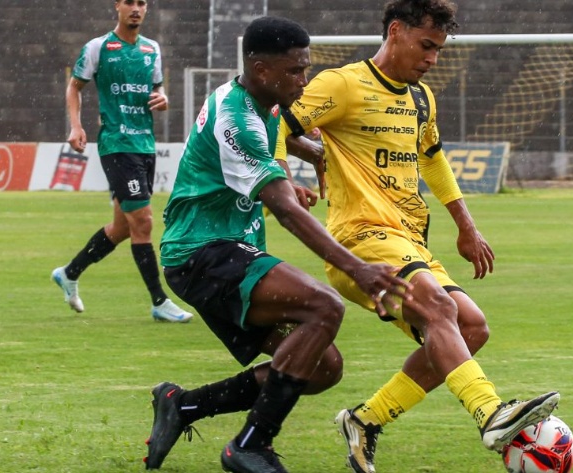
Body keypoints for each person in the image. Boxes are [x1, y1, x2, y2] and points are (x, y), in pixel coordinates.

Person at [278, 1, 560, 471]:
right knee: (440, 307)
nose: (432, 59)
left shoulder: (422, 98)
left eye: (439, 50)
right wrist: (286, 173)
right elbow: (276, 124)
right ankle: (491, 413)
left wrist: (466, 226)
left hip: (409, 240)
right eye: (426, 46)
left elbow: (432, 159)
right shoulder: (341, 84)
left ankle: (364, 420)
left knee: (471, 327)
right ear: (395, 31)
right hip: (360, 238)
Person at [142, 16, 411, 473]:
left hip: (226, 251)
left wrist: (306, 153)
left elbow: (279, 136)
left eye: (305, 69)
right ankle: (251, 444)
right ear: (261, 69)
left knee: (322, 366)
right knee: (325, 307)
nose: (304, 80)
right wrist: (360, 269)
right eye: (295, 71)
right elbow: (286, 211)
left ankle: (183, 405)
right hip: (201, 254)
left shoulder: (262, 101)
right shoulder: (238, 119)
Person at [51, 0, 192, 323]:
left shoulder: (151, 49)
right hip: (116, 143)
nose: (136, 8)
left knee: (123, 227)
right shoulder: (99, 47)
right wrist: (76, 125)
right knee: (143, 221)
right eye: (129, 2)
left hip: (144, 143)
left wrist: (163, 98)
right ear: (117, 6)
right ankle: (159, 301)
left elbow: (157, 89)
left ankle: (69, 273)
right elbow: (75, 87)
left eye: (142, 3)